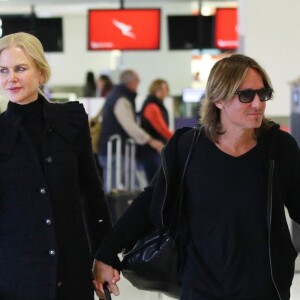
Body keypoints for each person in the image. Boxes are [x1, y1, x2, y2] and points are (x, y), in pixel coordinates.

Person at [92, 54, 300, 300]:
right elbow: (149, 202)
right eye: (246, 95)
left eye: (262, 93)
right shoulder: (187, 148)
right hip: (201, 287)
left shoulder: (278, 148)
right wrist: (106, 253)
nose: (258, 103)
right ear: (219, 99)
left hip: (264, 288)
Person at [0, 32, 112, 299]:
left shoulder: (70, 121)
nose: (11, 78)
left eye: (21, 68)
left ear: (41, 73)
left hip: (71, 270)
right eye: (3, 70)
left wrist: (106, 257)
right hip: (16, 276)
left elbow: (92, 194)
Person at [98, 69, 164, 191]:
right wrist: (151, 141)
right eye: (137, 80)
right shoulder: (121, 99)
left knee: (120, 187)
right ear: (132, 82)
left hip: (114, 150)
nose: (139, 83)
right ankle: (112, 210)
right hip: (115, 151)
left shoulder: (116, 95)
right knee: (113, 190)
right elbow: (130, 126)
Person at [137, 78, 173, 182]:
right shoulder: (152, 106)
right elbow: (161, 128)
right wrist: (175, 138)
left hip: (154, 148)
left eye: (166, 88)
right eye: (161, 88)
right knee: (155, 182)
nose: (164, 91)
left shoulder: (155, 104)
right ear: (154, 89)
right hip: (151, 149)